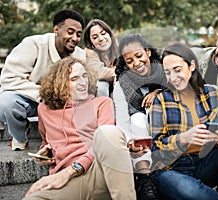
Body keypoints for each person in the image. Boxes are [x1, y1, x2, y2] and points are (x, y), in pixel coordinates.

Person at [149, 42, 218, 200]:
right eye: (167, 73)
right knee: (189, 190)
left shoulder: (211, 94)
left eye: (177, 70)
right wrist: (183, 138)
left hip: (205, 162)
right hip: (172, 170)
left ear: (191, 66)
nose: (172, 78)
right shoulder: (161, 100)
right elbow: (155, 149)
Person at [23, 57, 136, 200]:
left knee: (108, 132)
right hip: (69, 182)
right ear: (60, 83)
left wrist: (72, 169)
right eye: (75, 78)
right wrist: (46, 152)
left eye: (84, 76)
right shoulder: (44, 109)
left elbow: (107, 143)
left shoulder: (101, 103)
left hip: (98, 172)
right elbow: (46, 140)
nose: (83, 82)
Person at [0, 9, 86, 150]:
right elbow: (8, 78)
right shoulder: (33, 44)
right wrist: (45, 94)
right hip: (29, 99)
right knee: (6, 103)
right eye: (70, 32)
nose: (75, 38)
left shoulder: (80, 55)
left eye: (78, 34)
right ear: (56, 29)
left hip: (62, 103)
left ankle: (69, 139)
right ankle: (20, 137)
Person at [113, 34, 167, 199]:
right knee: (138, 118)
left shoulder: (165, 72)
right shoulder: (122, 85)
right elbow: (122, 123)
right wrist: (130, 142)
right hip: (140, 142)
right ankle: (145, 178)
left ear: (148, 52)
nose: (136, 63)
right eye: (129, 61)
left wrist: (159, 92)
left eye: (139, 56)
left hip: (166, 135)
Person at [84, 19, 118, 97]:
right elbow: (98, 72)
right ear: (91, 42)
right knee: (101, 85)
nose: (101, 38)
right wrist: (117, 73)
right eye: (95, 37)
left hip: (115, 94)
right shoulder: (89, 53)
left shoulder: (119, 49)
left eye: (103, 33)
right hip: (95, 96)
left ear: (109, 34)